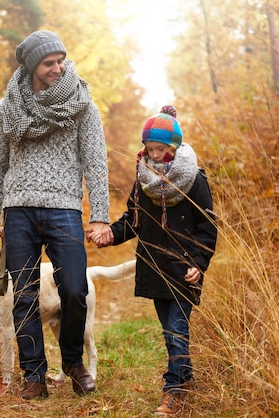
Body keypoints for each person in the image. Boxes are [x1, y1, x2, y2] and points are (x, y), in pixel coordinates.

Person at [0, 30, 111, 400]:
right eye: (49, 63)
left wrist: (100, 215)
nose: (58, 68)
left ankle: (72, 361)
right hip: (18, 210)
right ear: (31, 66)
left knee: (74, 289)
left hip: (65, 208)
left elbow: (96, 163)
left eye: (60, 60)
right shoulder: (6, 110)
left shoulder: (81, 103)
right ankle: (34, 376)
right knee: (23, 295)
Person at [87, 105, 217, 416]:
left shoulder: (194, 178)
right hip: (154, 266)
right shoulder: (143, 178)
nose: (155, 155)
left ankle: (172, 391)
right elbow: (133, 220)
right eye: (150, 149)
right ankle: (184, 378)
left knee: (176, 329)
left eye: (161, 149)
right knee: (170, 330)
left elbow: (207, 226)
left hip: (184, 268)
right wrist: (110, 235)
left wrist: (198, 262)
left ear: (173, 148)